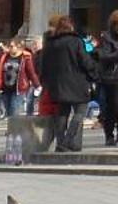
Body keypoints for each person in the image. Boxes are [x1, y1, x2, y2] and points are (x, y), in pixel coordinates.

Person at [38, 15, 98, 152]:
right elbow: (85, 62)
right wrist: (94, 73)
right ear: (71, 27)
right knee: (80, 112)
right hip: (77, 82)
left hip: (57, 84)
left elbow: (44, 65)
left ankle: (60, 142)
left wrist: (45, 81)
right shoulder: (76, 41)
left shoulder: (51, 43)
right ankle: (68, 140)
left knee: (62, 113)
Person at [95, 10, 118, 145]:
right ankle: (109, 135)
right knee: (112, 107)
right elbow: (103, 56)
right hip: (111, 76)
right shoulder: (106, 37)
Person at [0, 37, 38, 121]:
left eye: (12, 46)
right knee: (8, 113)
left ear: (18, 47)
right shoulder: (4, 57)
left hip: (19, 89)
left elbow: (31, 73)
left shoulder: (25, 57)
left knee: (14, 112)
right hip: (5, 89)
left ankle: (13, 132)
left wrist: (37, 85)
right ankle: (12, 130)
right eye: (9, 46)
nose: (9, 48)